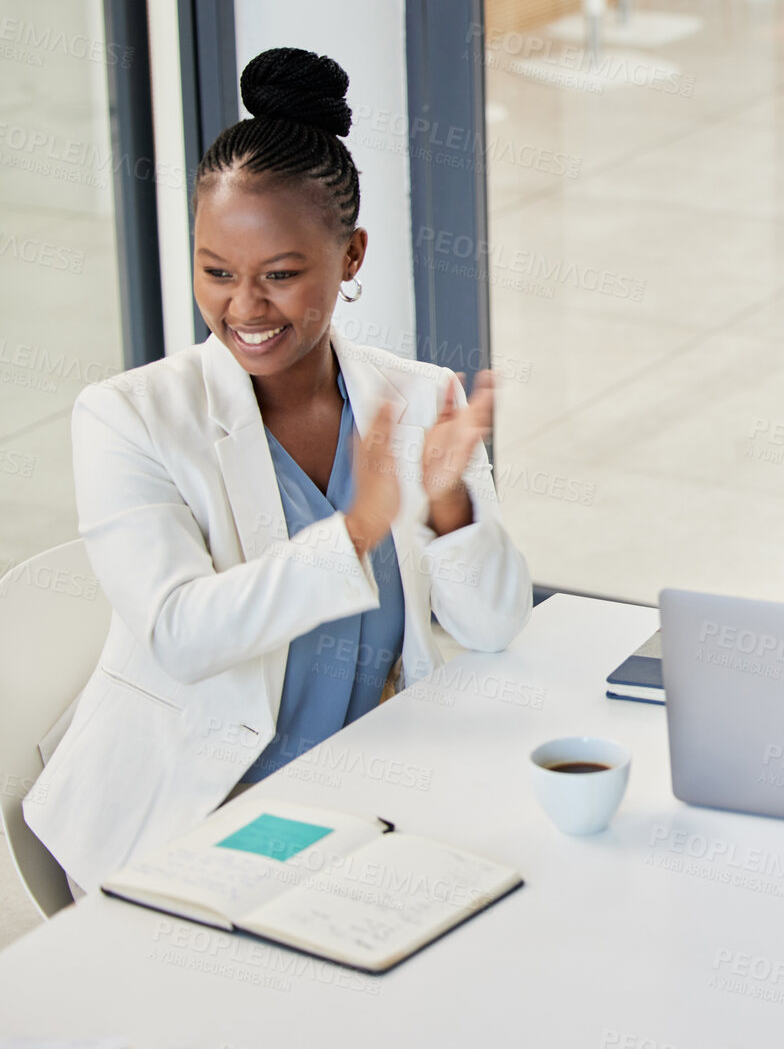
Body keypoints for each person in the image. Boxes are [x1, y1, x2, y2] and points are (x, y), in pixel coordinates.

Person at [26, 48, 533, 893]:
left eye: (282, 276)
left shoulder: (417, 397)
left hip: (359, 798)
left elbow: (492, 627)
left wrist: (448, 506)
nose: (244, 309)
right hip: (194, 813)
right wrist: (360, 526)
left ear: (352, 256)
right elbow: (182, 634)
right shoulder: (127, 417)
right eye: (216, 272)